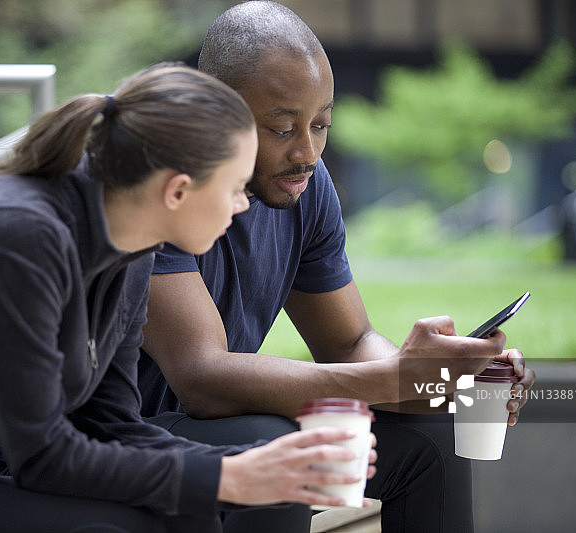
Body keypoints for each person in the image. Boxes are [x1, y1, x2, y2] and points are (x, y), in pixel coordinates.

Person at [0, 63, 377, 533]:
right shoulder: (16, 234)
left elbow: (109, 422)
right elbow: (41, 455)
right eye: (235, 188)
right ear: (178, 190)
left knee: (203, 505)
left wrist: (259, 468)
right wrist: (232, 478)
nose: (242, 208)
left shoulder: (129, 248)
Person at [137, 4, 537, 533]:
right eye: (282, 128)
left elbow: (349, 344)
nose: (307, 151)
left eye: (321, 124)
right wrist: (394, 378)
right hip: (123, 432)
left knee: (433, 441)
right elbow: (202, 378)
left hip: (218, 423)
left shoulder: (305, 186)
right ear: (217, 116)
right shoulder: (159, 181)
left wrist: (441, 382)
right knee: (277, 445)